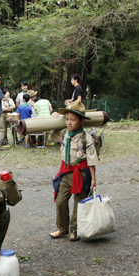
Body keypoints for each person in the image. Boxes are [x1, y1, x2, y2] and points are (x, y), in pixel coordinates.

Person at [49, 101, 98, 241]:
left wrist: (94, 179)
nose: (69, 122)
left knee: (79, 202)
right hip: (66, 172)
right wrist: (54, 117)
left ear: (81, 120)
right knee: (60, 201)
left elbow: (92, 159)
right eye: (67, 119)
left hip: (80, 173)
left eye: (73, 119)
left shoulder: (85, 137)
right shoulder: (65, 133)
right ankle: (62, 228)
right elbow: (52, 134)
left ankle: (75, 230)